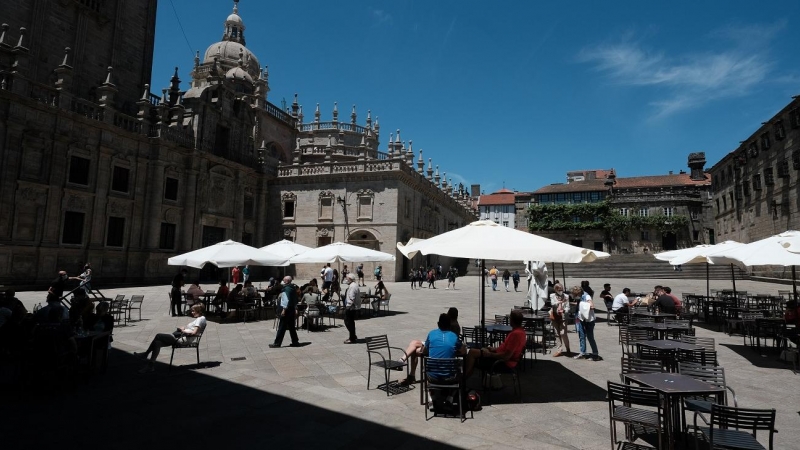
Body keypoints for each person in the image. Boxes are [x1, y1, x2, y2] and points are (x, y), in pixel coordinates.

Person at [136, 304, 206, 373]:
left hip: (183, 339)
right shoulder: (201, 319)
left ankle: (145, 354)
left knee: (158, 336)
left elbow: (194, 332)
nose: (192, 312)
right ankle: (150, 366)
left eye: (193, 311)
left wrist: (182, 330)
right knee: (157, 343)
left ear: (198, 311)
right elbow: (193, 331)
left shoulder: (200, 319)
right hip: (182, 337)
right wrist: (184, 329)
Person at [399, 313, 466, 386]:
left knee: (415, 350)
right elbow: (463, 352)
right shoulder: (454, 336)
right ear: (449, 325)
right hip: (450, 377)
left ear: (438, 324)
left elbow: (424, 351)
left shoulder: (432, 334)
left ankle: (411, 375)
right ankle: (453, 394)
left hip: (432, 377)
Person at [465, 311, 527, 377]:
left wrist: (490, 354)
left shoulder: (515, 335)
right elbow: (507, 350)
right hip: (501, 359)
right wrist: (495, 349)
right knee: (473, 352)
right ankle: (465, 377)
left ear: (512, 320)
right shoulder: (521, 332)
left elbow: (506, 356)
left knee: (473, 356)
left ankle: (464, 378)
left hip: (502, 363)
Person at [270, 276, 301, 348]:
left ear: (286, 281)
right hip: (291, 309)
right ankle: (295, 341)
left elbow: (286, 299)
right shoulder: (293, 288)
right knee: (291, 326)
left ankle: (277, 343)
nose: (282, 281)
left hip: (286, 310)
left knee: (282, 326)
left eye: (283, 280)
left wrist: (284, 310)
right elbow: (295, 299)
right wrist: (295, 308)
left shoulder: (286, 289)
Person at [571, 285, 601, 361]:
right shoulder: (580, 297)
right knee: (581, 336)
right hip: (581, 319)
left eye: (575, 295)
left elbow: (592, 306)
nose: (575, 296)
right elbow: (580, 304)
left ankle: (595, 354)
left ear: (578, 293)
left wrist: (582, 305)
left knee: (590, 337)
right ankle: (582, 353)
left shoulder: (586, 296)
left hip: (589, 320)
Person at [549, 283, 571, 357]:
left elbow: (568, 307)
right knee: (556, 333)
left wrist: (565, 311)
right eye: (559, 290)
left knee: (563, 333)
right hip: (555, 316)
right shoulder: (552, 296)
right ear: (555, 290)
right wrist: (560, 302)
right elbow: (553, 304)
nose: (561, 291)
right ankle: (559, 350)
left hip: (563, 317)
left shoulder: (566, 296)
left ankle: (568, 348)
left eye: (562, 289)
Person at [342, 273, 360, 344]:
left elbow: (351, 298)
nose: (346, 280)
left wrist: (348, 306)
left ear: (350, 279)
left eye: (347, 278)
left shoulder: (352, 286)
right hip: (353, 307)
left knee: (348, 322)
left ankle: (352, 337)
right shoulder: (354, 285)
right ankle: (353, 336)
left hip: (351, 307)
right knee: (351, 322)